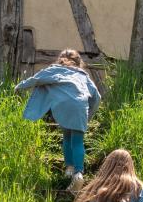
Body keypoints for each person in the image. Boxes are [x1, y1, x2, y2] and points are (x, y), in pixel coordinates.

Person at [14, 49, 100, 191]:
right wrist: (89, 114)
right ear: (79, 63)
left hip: (63, 105)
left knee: (67, 136)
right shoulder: (83, 75)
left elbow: (36, 79)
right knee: (77, 141)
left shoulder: (54, 70)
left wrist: (20, 86)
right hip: (81, 106)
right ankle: (79, 174)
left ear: (60, 60)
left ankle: (69, 170)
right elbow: (97, 97)